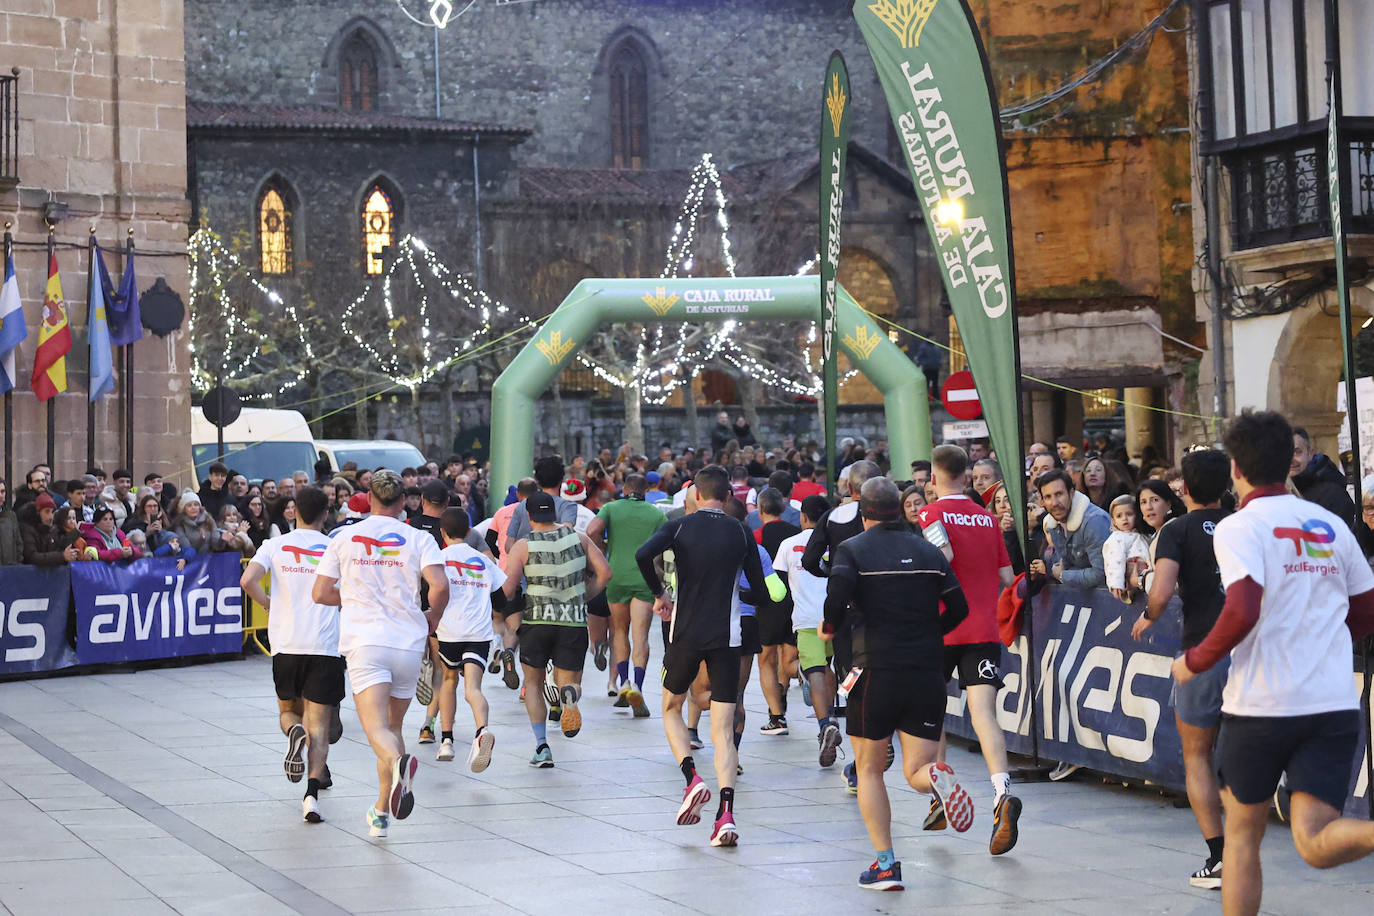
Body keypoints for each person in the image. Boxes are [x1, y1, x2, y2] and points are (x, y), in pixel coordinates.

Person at [1171, 411, 1374, 914]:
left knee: (1241, 840)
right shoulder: (1330, 524)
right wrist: (1322, 642)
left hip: (1261, 706)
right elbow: (1367, 608)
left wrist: (1195, 660)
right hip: (1330, 705)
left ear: (1236, 469)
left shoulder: (1241, 527)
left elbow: (1241, 607)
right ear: (1289, 462)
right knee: (1313, 839)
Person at [822, 477, 974, 890]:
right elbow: (959, 607)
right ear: (898, 508)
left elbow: (836, 597)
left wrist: (829, 625)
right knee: (917, 769)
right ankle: (938, 777)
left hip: (875, 670)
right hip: (926, 670)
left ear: (864, 512)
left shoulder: (852, 550)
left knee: (869, 770)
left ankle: (886, 865)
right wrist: (929, 634)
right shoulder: (928, 550)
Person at [635, 465, 769, 848]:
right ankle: (726, 816)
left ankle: (692, 778)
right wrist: (739, 596)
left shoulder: (680, 525)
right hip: (728, 637)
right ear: (728, 498)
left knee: (671, 707)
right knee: (723, 730)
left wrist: (660, 594)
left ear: (695, 494)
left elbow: (644, 554)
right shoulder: (741, 531)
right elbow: (758, 592)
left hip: (686, 634)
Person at [311, 470, 449, 839]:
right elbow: (439, 586)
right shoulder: (420, 538)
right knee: (393, 728)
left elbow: (321, 592)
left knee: (376, 730)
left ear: (369, 498)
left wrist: (354, 599)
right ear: (405, 501)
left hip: (365, 642)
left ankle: (397, 763)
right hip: (407, 642)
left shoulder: (344, 537)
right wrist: (431, 619)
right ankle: (381, 812)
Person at [1131, 448, 1233, 889]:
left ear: (1184, 490)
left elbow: (1163, 588)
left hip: (1203, 651)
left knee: (1197, 755)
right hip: (1253, 650)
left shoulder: (1176, 530)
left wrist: (1148, 612)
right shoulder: (1239, 523)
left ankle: (1219, 856)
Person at [917, 445, 1021, 855]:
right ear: (965, 475)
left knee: (933, 712)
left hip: (941, 628)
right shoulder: (987, 518)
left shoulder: (932, 515)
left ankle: (942, 793)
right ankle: (1001, 793)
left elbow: (940, 560)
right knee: (984, 714)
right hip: (983, 628)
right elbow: (1008, 575)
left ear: (934, 478)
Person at [241, 486, 342, 825]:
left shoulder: (275, 544)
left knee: (288, 713)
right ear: (326, 513)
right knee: (321, 726)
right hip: (325, 646)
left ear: (294, 511)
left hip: (285, 644)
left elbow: (247, 580)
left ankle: (293, 732)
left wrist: (267, 603)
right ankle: (311, 796)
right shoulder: (334, 546)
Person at [501, 492, 611, 767]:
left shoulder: (524, 545)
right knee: (569, 680)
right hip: (572, 622)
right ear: (555, 514)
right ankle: (569, 695)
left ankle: (541, 747)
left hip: (537, 621)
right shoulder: (579, 538)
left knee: (534, 685)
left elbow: (509, 587)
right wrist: (584, 596)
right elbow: (605, 572)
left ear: (529, 517)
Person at [801, 459, 883, 791]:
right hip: (887, 610)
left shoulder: (832, 517)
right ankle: (878, 738)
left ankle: (861, 744)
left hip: (848, 611)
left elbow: (809, 560)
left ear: (849, 488)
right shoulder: (892, 515)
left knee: (851, 676)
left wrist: (831, 571)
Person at [432, 507, 508, 770]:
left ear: (442, 533)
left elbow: (428, 593)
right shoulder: (483, 560)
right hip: (478, 633)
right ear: (468, 532)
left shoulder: (438, 559)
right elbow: (501, 601)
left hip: (449, 631)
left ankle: (446, 741)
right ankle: (482, 730)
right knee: (473, 688)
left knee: (449, 680)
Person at [586, 474, 664, 718]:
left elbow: (591, 530)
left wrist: (604, 547)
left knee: (619, 631)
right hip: (644, 577)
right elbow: (664, 547)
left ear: (624, 489)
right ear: (646, 491)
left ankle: (624, 682)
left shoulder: (611, 508)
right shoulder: (657, 514)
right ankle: (638, 687)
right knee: (640, 635)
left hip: (616, 576)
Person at [774, 494, 843, 768]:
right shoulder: (838, 542)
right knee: (833, 667)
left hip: (805, 619)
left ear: (803, 516)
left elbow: (779, 584)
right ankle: (834, 712)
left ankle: (824, 723)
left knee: (814, 670)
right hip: (837, 616)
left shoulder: (788, 545)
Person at [1032, 468, 1109, 591]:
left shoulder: (1094, 521)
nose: (1054, 503)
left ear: (1071, 493)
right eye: (1048, 497)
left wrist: (1063, 575)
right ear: (1042, 501)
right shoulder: (1052, 523)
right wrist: (1042, 568)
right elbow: (1064, 563)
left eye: (1059, 494)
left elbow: (1102, 574)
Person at [1290, 426, 1357, 527]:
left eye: (1297, 452)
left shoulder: (1333, 495)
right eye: (1285, 452)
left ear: (1310, 453)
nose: (1291, 458)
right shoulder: (1278, 491)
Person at [505, 456, 579, 542]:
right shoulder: (568, 506)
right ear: (561, 479)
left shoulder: (522, 505)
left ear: (537, 481)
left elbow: (508, 545)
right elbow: (566, 536)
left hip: (524, 553)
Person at [1104, 493, 1150, 602]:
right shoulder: (1116, 538)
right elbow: (1115, 560)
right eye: (1119, 516)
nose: (1124, 518)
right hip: (1130, 580)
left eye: (1129, 514)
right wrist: (1116, 583)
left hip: (1145, 577)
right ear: (1113, 521)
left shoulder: (1142, 535)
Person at [21, 494, 78, 565]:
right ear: (38, 513)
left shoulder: (54, 530)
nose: (51, 516)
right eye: (47, 511)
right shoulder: (28, 530)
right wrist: (62, 556)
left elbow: (60, 548)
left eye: (52, 512)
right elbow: (32, 557)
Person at [0, 477, 22, 566]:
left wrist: (17, 562)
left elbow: (18, 542)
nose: (1, 495)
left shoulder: (10, 516)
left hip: (9, 570)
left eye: (2, 491)